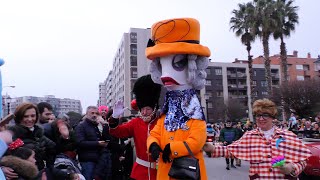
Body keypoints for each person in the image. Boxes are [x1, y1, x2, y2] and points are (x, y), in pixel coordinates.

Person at [146, 18, 210, 180]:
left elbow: (197, 140)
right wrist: (153, 144)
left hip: (188, 173)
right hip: (165, 173)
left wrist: (172, 149)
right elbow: (154, 133)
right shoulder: (166, 113)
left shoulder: (195, 113)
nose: (165, 75)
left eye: (178, 63)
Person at [203, 98, 312, 179]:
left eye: (265, 115)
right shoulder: (250, 136)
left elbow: (303, 160)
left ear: (272, 117)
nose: (261, 119)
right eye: (258, 115)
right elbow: (231, 150)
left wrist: (292, 168)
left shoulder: (287, 136)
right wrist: (212, 148)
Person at [108, 74, 162, 180]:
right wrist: (114, 117)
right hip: (139, 172)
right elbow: (117, 132)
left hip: (160, 172)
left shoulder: (161, 121)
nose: (144, 112)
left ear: (155, 108)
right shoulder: (136, 122)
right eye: (142, 109)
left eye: (148, 109)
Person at [7, 103, 56, 172]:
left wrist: (64, 137)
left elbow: (54, 149)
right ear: (19, 117)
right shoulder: (10, 135)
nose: (30, 119)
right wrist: (3, 168)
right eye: (25, 116)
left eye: (33, 116)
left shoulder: (38, 133)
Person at [75, 106, 112, 180]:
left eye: (96, 113)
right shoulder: (81, 126)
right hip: (87, 160)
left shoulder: (96, 125)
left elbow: (105, 138)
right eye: (92, 113)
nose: (94, 115)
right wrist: (97, 143)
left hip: (99, 159)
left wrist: (104, 125)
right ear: (86, 114)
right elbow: (80, 142)